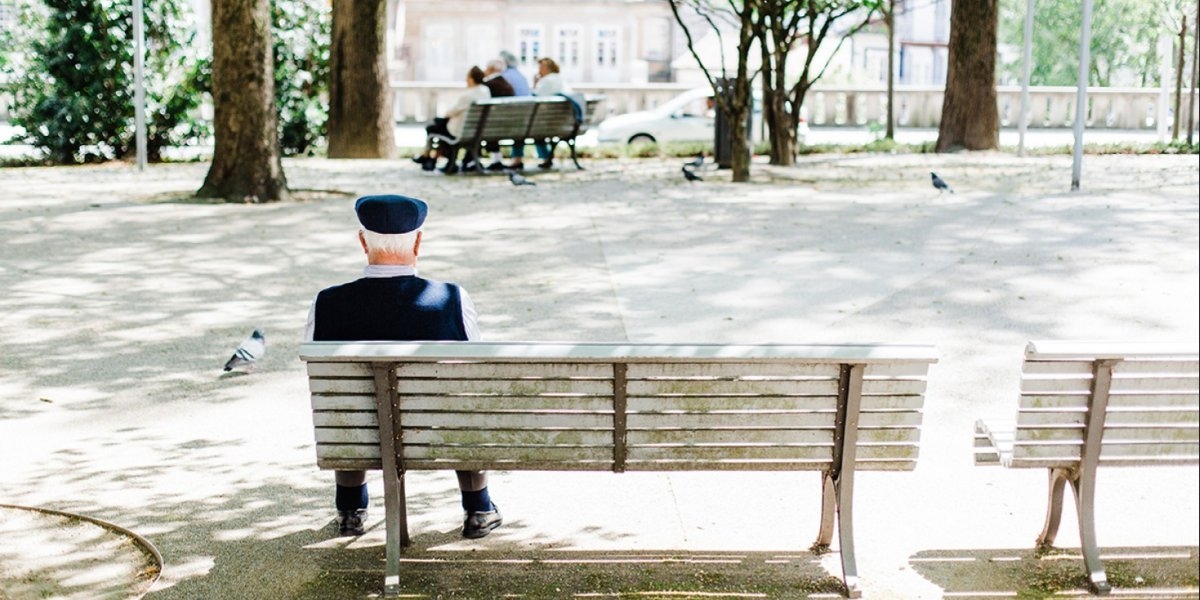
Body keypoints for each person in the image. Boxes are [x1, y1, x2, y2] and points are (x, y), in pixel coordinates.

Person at [305, 195, 503, 539]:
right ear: (419, 242)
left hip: (359, 435)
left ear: (363, 241)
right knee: (464, 399)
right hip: (438, 433)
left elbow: (321, 372)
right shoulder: (452, 299)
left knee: (348, 405)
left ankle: (349, 509)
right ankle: (478, 507)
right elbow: (474, 367)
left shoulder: (327, 302)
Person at [413, 66, 490, 175]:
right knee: (438, 126)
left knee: (433, 127)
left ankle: (428, 157)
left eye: (467, 77)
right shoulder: (485, 91)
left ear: (471, 79)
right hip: (477, 131)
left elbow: (450, 112)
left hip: (461, 131)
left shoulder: (468, 96)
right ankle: (430, 158)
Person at [479, 59, 516, 172]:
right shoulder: (508, 85)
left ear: (491, 69)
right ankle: (496, 159)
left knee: (480, 124)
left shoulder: (487, 86)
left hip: (491, 126)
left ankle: (471, 159)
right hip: (508, 125)